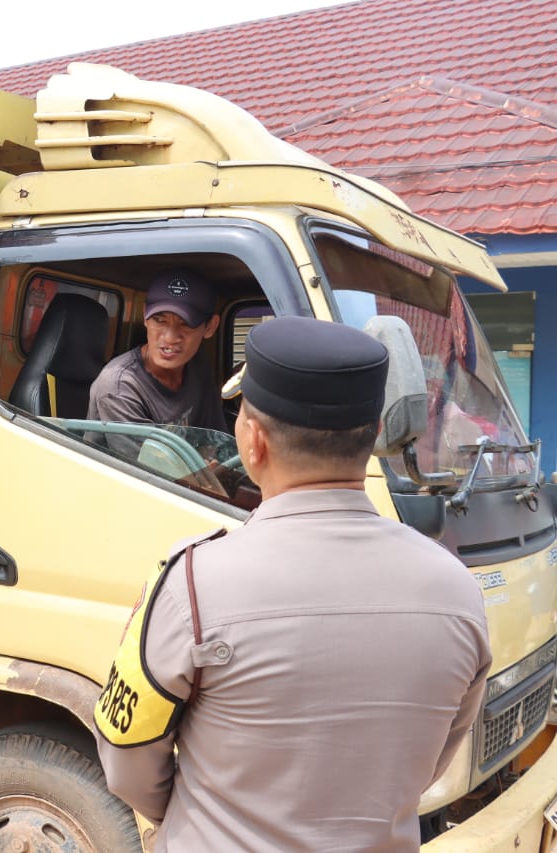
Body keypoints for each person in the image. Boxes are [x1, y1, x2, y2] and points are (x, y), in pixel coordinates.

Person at [94, 316, 491, 852]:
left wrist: (203, 817)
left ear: (252, 442)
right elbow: (429, 761)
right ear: (373, 437)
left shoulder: (191, 582)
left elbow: (127, 762)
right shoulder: (460, 593)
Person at [86, 268, 226, 440]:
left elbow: (215, 440)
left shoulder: (198, 364)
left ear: (211, 326)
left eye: (186, 324)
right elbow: (147, 466)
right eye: (159, 320)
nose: (169, 337)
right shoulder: (119, 386)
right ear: (146, 316)